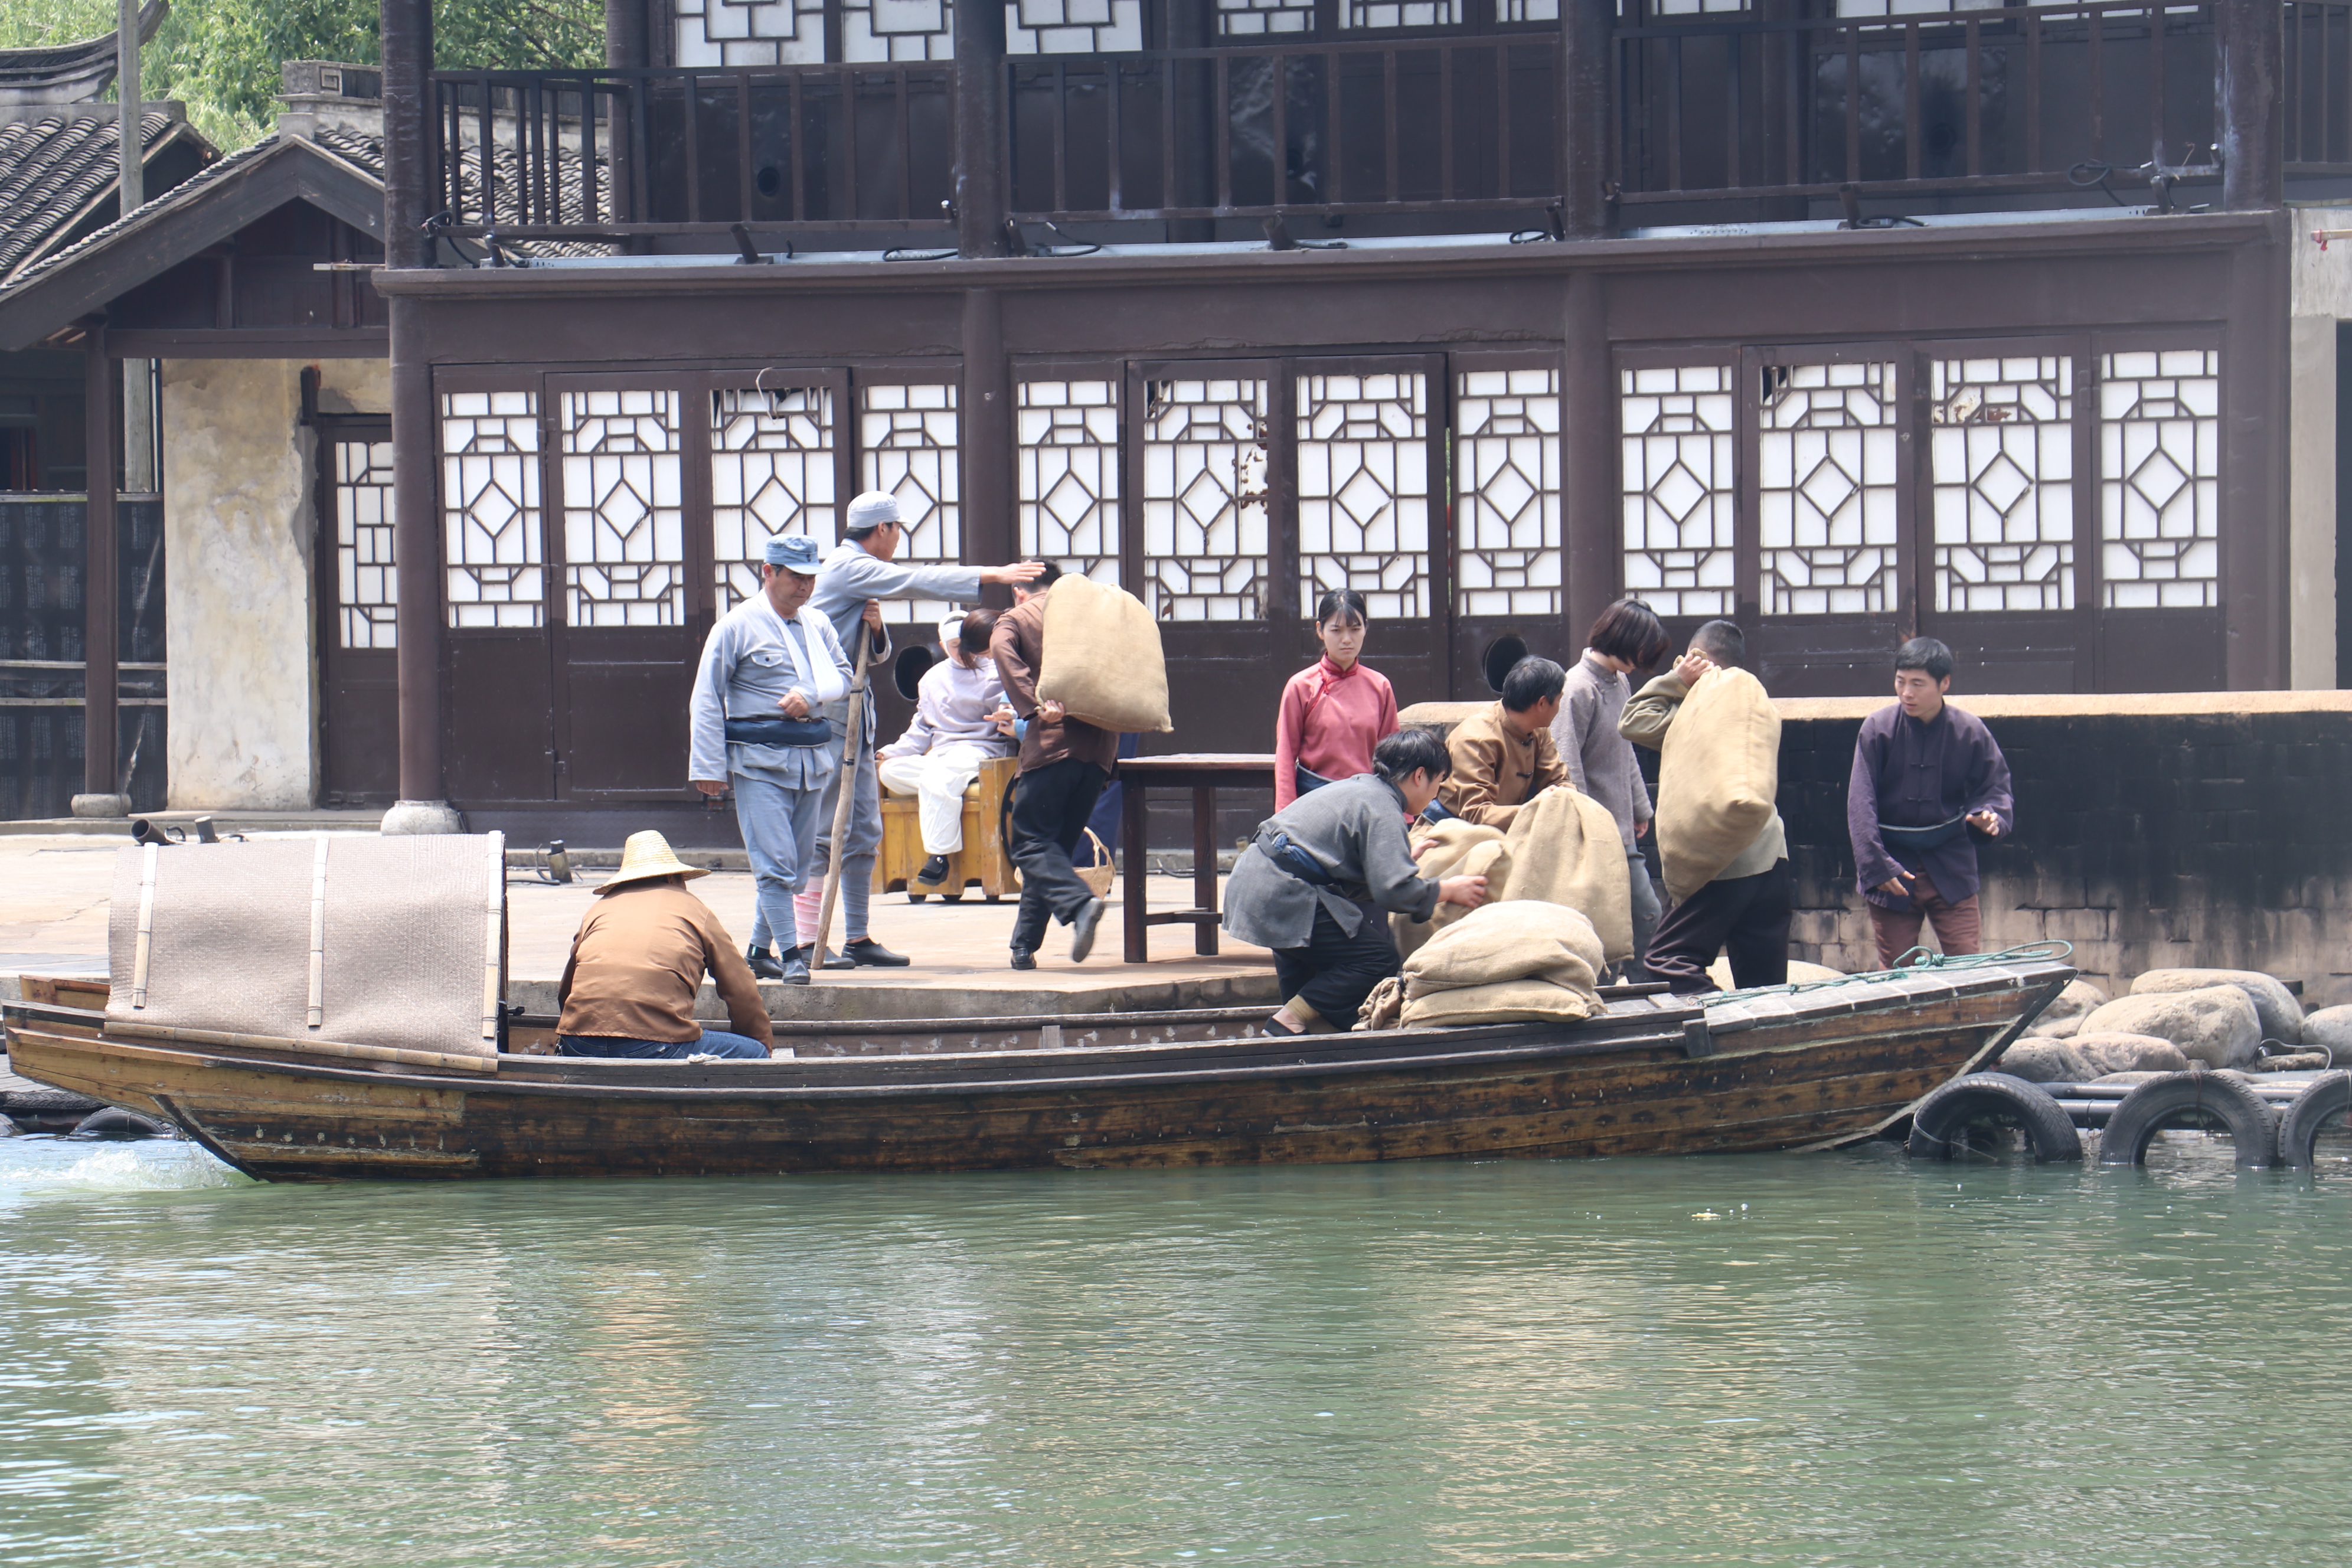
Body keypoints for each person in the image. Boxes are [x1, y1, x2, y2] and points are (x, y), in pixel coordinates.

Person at [800, 491, 1045, 969]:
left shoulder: (859, 572)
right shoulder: (848, 565)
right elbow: (914, 579)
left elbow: (873, 654)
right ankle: (809, 940)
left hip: (858, 713)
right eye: (897, 530)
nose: (898, 540)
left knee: (864, 830)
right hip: (829, 711)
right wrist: (994, 575)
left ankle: (857, 937)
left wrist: (876, 629)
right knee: (828, 828)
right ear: (884, 529)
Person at [1224, 729, 1489, 1035]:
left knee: (1312, 975)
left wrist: (1396, 859)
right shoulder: (1383, 805)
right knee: (1376, 959)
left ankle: (1296, 1037)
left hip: (1258, 880)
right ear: (1420, 776)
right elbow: (1395, 891)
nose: (1436, 793)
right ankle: (1289, 1019)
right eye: (1439, 781)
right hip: (1284, 890)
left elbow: (1356, 864)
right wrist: (1448, 889)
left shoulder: (1361, 788)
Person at [687, 533, 856, 987]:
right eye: (796, 577)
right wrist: (708, 767)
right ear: (769, 572)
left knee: (797, 864)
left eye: (811, 578)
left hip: (811, 759)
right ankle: (792, 956)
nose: (805, 586)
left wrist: (811, 693)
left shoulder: (817, 624)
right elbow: (707, 697)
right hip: (759, 760)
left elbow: (843, 676)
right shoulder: (737, 625)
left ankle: (759, 952)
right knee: (775, 863)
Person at [1618, 619, 1790, 994]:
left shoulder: (1696, 713)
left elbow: (1632, 720)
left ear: (1698, 659)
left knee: (1666, 961)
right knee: (1764, 986)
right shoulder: (1757, 704)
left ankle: (1719, 1019)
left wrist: (1676, 680)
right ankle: (1751, 1028)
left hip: (1720, 857)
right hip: (1771, 856)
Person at [1848, 637, 2014, 968]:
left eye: (1918, 684)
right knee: (1896, 972)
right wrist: (1875, 866)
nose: (1906, 693)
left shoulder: (1969, 730)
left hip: (1951, 861)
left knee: (1967, 966)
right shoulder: (1878, 729)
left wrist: (1989, 816)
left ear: (1944, 683)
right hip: (1893, 865)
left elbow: (1995, 787)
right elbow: (1860, 803)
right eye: (1901, 681)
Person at [556, 831, 774, 1059]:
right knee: (755, 1052)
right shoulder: (694, 909)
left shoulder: (597, 910)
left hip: (578, 1043)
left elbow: (567, 989)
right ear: (671, 878)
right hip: (653, 1045)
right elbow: (740, 989)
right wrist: (759, 1042)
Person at [991, 561, 1112, 969]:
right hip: (1100, 749)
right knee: (1050, 851)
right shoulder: (1092, 616)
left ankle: (1080, 905)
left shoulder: (1017, 617)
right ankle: (1023, 947)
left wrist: (1033, 706)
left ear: (1019, 591)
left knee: (1029, 844)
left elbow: (1001, 650)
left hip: (1052, 746)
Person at [1552, 599, 1674, 976]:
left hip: (1622, 830)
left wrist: (1640, 807)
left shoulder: (1620, 681)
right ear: (1622, 639)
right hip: (1594, 836)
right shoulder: (1577, 688)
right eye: (1642, 651)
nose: (1643, 662)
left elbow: (1626, 751)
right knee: (1621, 923)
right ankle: (1620, 998)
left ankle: (1645, 995)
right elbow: (1567, 766)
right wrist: (1589, 828)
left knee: (1645, 918)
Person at [877, 610, 1019, 887]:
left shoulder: (996, 669)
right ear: (943, 645)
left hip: (983, 750)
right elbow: (922, 728)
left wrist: (1007, 715)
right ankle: (947, 789)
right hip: (943, 755)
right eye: (955, 646)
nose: (963, 652)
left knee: (937, 778)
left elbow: (1010, 708)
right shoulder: (931, 678)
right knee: (890, 772)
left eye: (966, 645)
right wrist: (893, 752)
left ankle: (939, 856)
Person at [1273, 588, 1400, 810]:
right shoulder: (1301, 687)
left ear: (1366, 628)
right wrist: (1284, 812)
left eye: (1355, 629)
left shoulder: (1380, 686)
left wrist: (1401, 813)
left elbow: (1393, 758)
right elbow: (1285, 755)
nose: (1347, 639)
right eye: (1337, 630)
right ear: (1320, 630)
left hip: (1367, 804)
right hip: (1314, 802)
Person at [1440, 655, 1569, 828]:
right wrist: (1535, 810)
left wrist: (1562, 796)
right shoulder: (1476, 740)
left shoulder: (1538, 729)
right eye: (1559, 700)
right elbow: (1476, 812)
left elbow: (1559, 781)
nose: (1560, 707)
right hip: (1455, 833)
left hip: (1509, 830)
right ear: (1542, 704)